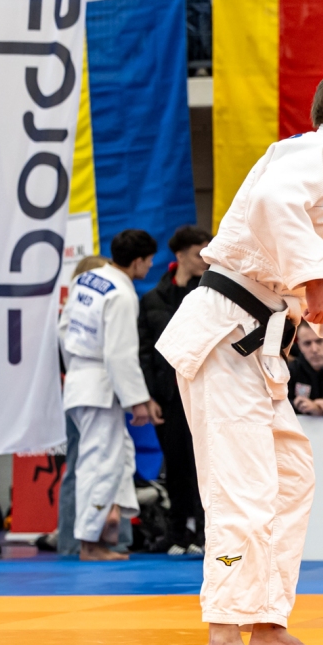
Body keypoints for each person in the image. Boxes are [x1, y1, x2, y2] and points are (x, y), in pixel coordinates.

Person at [157, 57, 323, 645]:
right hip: (226, 339)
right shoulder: (315, 152)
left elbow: (275, 247)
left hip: (256, 344)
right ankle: (223, 638)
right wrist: (316, 278)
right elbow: (273, 205)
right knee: (239, 491)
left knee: (291, 478)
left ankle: (267, 623)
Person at [59, 230, 161, 562]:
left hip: (79, 378)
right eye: (149, 260)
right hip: (100, 384)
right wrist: (137, 401)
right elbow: (120, 354)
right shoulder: (121, 294)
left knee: (117, 457)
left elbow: (65, 329)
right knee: (100, 464)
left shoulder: (86, 280)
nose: (150, 266)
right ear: (137, 261)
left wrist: (77, 370)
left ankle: (105, 529)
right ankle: (90, 543)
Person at [139, 225, 213, 555]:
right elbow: (144, 351)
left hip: (202, 394)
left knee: (204, 465)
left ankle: (206, 533)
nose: (205, 260)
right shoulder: (152, 298)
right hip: (168, 397)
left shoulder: (210, 295)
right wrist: (149, 396)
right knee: (175, 465)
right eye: (199, 254)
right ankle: (178, 531)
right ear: (180, 255)